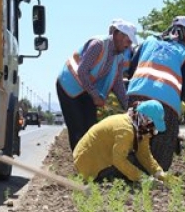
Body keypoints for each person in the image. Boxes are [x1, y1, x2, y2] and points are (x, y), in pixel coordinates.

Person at [57, 19, 138, 151]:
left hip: (87, 89)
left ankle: (88, 164)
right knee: (77, 127)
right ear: (118, 35)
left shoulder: (119, 56)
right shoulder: (98, 45)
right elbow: (82, 71)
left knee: (90, 128)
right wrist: (95, 96)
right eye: (128, 41)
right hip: (69, 86)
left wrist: (129, 107)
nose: (129, 46)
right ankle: (80, 167)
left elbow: (117, 84)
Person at [126, 15, 185, 171]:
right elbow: (183, 85)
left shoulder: (149, 41)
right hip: (166, 99)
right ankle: (155, 172)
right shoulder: (184, 52)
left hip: (138, 90)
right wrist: (176, 114)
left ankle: (127, 169)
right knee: (163, 138)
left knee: (134, 133)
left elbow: (131, 68)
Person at [72, 100, 172, 184]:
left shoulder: (139, 127)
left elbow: (144, 154)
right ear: (145, 119)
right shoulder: (126, 130)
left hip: (91, 157)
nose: (153, 131)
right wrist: (144, 179)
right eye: (153, 125)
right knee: (129, 163)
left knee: (133, 164)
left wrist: (158, 172)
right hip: (86, 163)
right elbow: (118, 160)